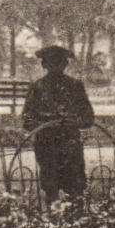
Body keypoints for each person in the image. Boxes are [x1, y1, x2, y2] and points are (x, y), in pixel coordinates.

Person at [22, 44, 96, 203]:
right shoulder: (37, 88)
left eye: (59, 62)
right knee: (51, 188)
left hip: (70, 144)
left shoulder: (75, 86)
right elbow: (27, 120)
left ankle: (76, 214)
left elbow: (88, 118)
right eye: (51, 63)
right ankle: (53, 214)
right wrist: (44, 124)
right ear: (44, 65)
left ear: (65, 64)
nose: (55, 67)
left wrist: (73, 122)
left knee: (75, 189)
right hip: (47, 145)